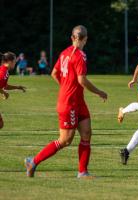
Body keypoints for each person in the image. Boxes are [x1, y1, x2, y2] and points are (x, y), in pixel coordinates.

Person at [24, 25, 108, 178]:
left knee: (86, 133)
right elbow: (82, 80)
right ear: (86, 39)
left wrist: (65, 86)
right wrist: (99, 92)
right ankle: (33, 161)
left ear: (72, 38)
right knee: (65, 140)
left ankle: (83, 172)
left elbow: (54, 73)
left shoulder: (64, 53)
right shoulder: (80, 55)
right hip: (69, 102)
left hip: (77, 101)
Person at [0, 52, 26, 129]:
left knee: (0, 124)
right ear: (10, 62)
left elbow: (4, 86)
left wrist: (17, 87)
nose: (15, 64)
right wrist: (5, 93)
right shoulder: (3, 72)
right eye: (15, 62)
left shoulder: (5, 70)